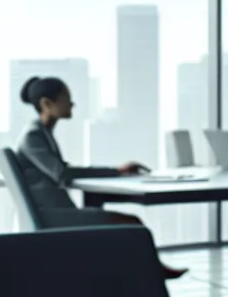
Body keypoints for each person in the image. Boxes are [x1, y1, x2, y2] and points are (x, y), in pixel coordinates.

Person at [13, 75, 187, 279]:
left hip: (57, 212)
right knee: (132, 223)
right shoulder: (33, 136)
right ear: (46, 104)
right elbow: (62, 173)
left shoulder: (41, 133)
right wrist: (116, 171)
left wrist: (117, 171)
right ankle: (153, 276)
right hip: (54, 217)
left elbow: (60, 171)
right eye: (66, 98)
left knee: (129, 225)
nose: (72, 104)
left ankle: (144, 279)